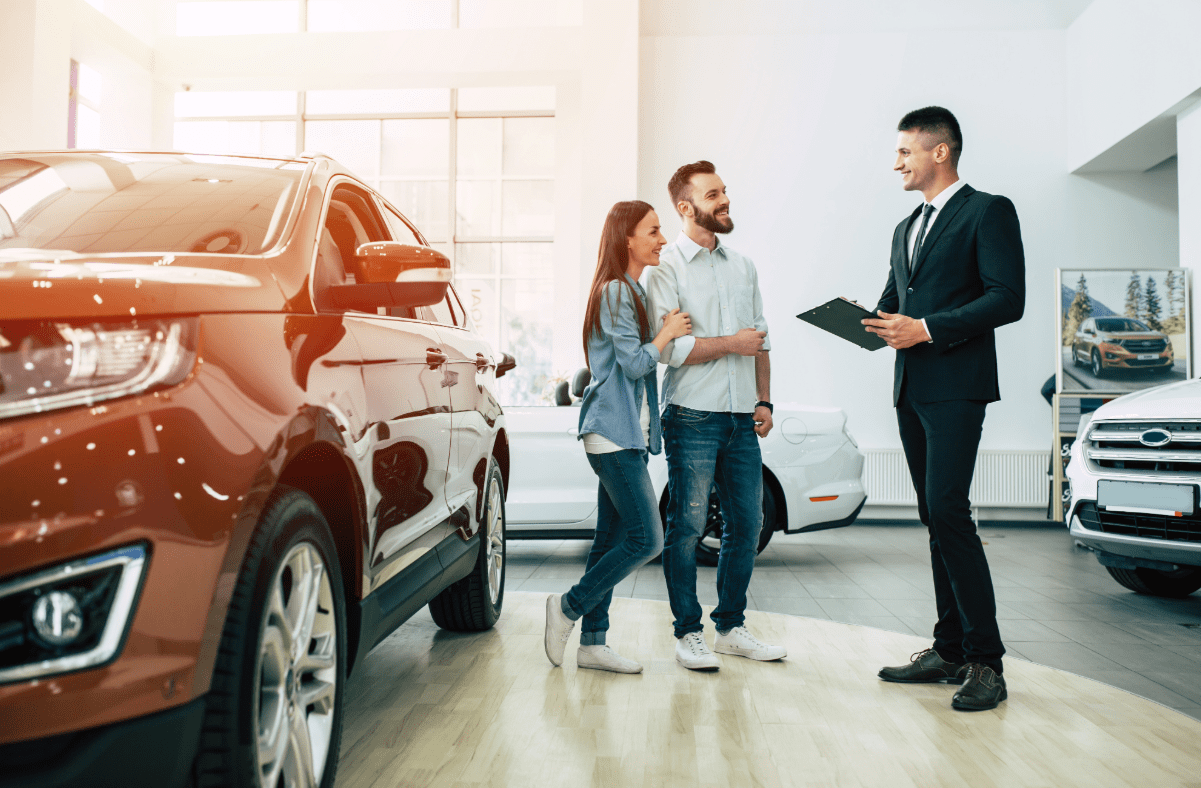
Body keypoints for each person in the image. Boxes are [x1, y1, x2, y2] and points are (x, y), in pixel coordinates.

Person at [862, 107, 1025, 711]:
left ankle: (987, 662)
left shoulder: (988, 211)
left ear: (940, 152)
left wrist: (926, 328)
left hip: (958, 385)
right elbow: (891, 303)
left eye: (905, 151)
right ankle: (950, 648)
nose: (897, 162)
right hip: (911, 389)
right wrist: (866, 323)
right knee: (935, 517)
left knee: (950, 513)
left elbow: (1008, 298)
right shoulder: (906, 227)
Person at [645, 161, 787, 671]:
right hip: (691, 416)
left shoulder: (742, 266)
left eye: (724, 190)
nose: (725, 200)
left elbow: (761, 340)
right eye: (713, 194)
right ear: (686, 207)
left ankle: (730, 626)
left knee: (746, 524)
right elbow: (670, 351)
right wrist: (731, 344)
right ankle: (688, 633)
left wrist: (763, 400)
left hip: (739, 418)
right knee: (685, 526)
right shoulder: (664, 270)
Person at [543, 200, 692, 673]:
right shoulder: (614, 292)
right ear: (627, 237)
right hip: (610, 432)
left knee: (609, 540)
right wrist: (667, 332)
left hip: (625, 433)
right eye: (652, 230)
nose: (662, 239)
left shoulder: (629, 289)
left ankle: (592, 642)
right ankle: (567, 606)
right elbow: (634, 364)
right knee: (648, 538)